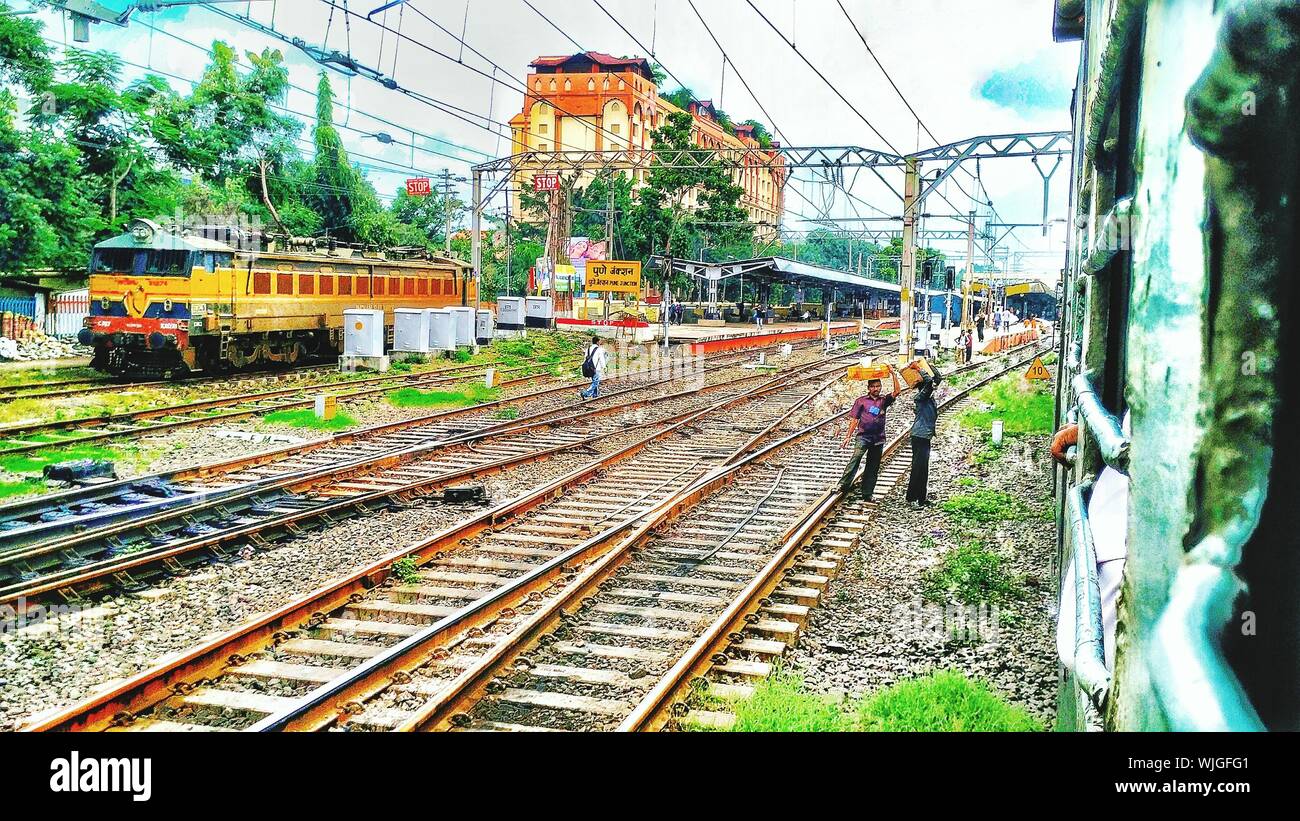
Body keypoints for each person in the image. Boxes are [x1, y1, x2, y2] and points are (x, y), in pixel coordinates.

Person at [838, 368, 903, 501]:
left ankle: (867, 494)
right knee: (855, 458)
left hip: (878, 438)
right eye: (873, 386)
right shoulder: (861, 401)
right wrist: (848, 436)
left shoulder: (884, 401)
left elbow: (897, 392)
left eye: (878, 386)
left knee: (873, 466)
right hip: (863, 436)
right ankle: (843, 485)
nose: (875, 389)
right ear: (868, 388)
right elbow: (855, 420)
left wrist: (893, 374)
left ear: (881, 387)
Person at [906, 359, 942, 509]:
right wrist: (919, 368)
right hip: (919, 436)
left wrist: (926, 364)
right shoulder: (921, 397)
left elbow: (937, 378)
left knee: (924, 468)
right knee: (918, 468)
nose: (933, 386)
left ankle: (921, 497)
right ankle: (912, 498)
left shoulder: (928, 396)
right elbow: (928, 382)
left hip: (925, 435)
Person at [579, 335, 607, 400]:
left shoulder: (588, 349)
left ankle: (595, 395)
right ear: (597, 342)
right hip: (596, 369)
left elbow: (585, 359)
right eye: (599, 341)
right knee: (596, 382)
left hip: (589, 368)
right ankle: (586, 393)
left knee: (594, 381)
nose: (600, 343)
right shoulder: (599, 349)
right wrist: (604, 367)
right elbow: (601, 359)